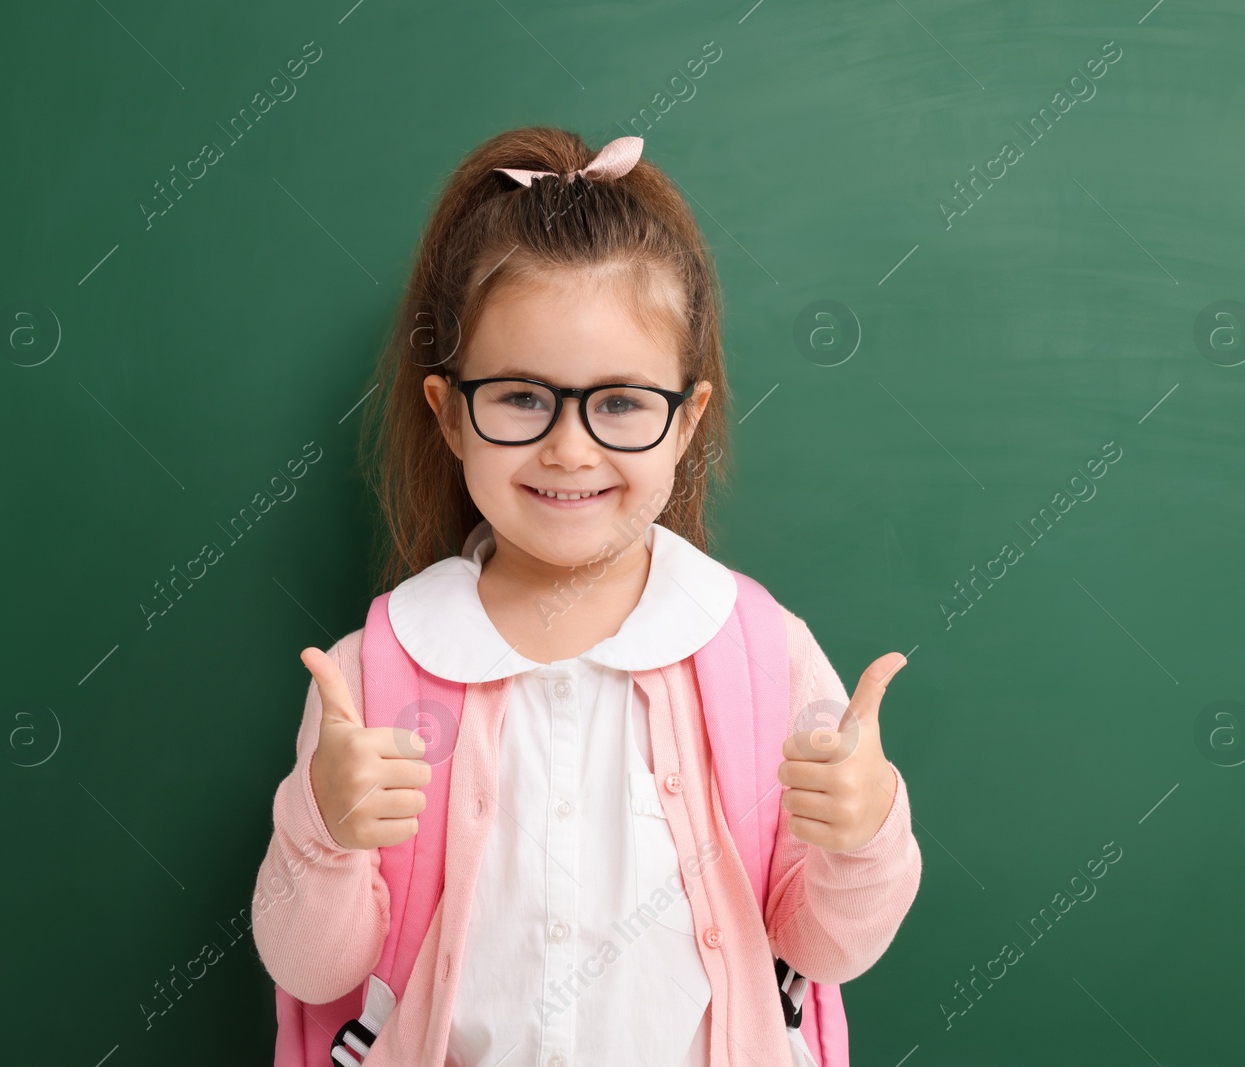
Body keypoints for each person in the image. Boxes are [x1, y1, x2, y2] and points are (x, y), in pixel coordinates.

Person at [250, 128, 921, 1067]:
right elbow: (312, 971)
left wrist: (863, 836)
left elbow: (824, 949)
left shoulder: (760, 654)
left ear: (685, 421)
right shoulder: (378, 673)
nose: (570, 448)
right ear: (448, 413)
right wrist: (324, 832)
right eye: (522, 398)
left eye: (620, 402)